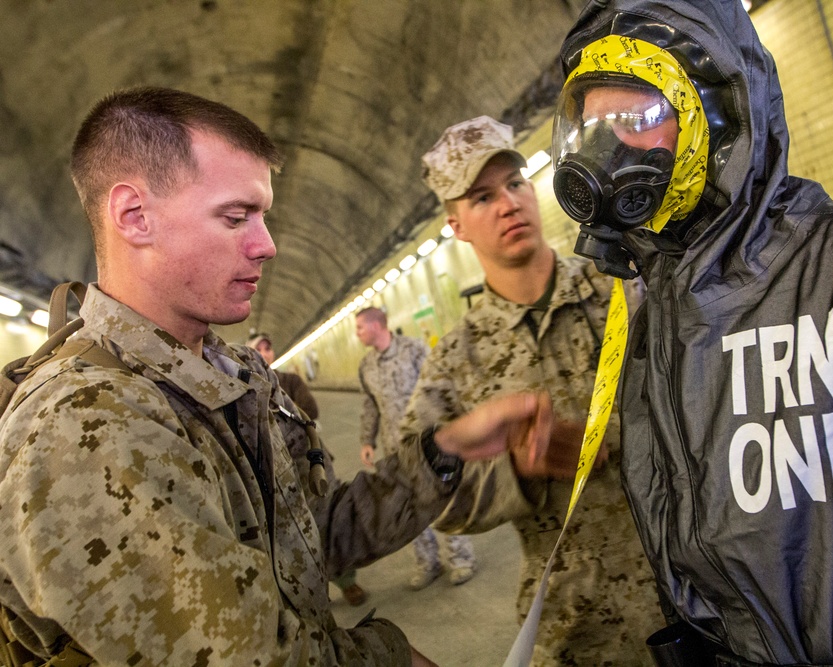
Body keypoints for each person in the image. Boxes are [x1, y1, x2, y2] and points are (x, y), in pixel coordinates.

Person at [0, 86, 552, 667]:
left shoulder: (235, 374)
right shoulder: (84, 426)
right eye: (236, 216)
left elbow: (314, 537)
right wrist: (393, 656)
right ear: (135, 217)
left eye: (262, 215)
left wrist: (443, 450)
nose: (268, 245)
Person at [551, 1, 833, 665]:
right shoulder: (659, 323)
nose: (603, 152)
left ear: (719, 117)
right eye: (591, 128)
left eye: (636, 120)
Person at [405, 115, 667, 665]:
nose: (507, 204)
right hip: (577, 629)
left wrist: (618, 437)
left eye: (515, 183)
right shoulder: (457, 360)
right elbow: (420, 493)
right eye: (481, 197)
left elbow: (704, 397)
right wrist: (515, 472)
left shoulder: (624, 289)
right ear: (456, 225)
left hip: (688, 596)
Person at [355, 307, 477, 589]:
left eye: (360, 327)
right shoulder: (366, 366)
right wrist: (366, 440)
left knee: (444, 499)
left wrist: (453, 426)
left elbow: (441, 385)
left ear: (376, 326)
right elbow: (370, 405)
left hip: (430, 444)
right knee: (409, 505)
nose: (357, 334)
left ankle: (460, 559)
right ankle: (428, 563)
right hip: (395, 447)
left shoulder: (414, 350)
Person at [247, 332, 368, 607]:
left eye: (268, 347)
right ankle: (314, 592)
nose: (265, 353)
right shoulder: (245, 389)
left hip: (310, 465)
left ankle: (347, 582)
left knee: (329, 524)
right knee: (294, 539)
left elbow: (309, 409)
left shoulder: (289, 381)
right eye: (259, 349)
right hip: (275, 478)